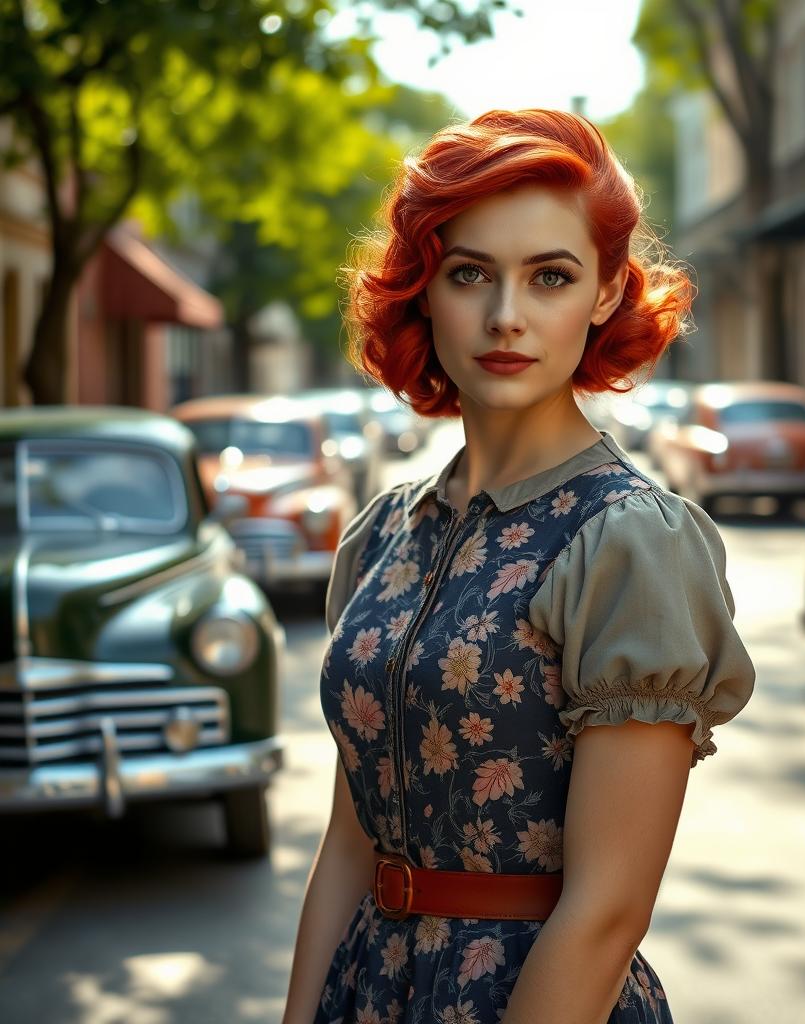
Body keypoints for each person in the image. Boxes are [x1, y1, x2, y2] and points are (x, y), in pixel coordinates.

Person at [282, 108, 756, 1024]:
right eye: (470, 274)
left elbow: (607, 911)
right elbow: (348, 844)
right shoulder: (380, 535)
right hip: (367, 989)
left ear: (608, 292)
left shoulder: (627, 540)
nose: (506, 317)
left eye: (551, 276)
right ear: (425, 288)